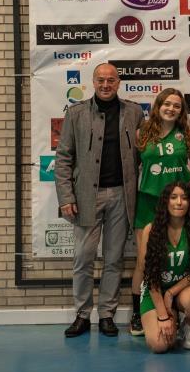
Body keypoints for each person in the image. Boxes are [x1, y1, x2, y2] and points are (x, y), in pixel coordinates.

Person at [55, 63, 143, 337]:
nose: (106, 85)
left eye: (111, 80)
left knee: (114, 259)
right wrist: (66, 197)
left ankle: (107, 314)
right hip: (85, 197)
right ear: (92, 82)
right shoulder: (77, 113)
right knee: (83, 258)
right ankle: (82, 314)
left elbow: (144, 154)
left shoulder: (134, 112)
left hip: (121, 195)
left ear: (119, 83)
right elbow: (63, 158)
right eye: (101, 80)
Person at [130, 88, 190, 336]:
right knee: (144, 260)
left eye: (177, 106)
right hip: (148, 203)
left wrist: (181, 181)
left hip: (176, 206)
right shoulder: (142, 134)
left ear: (181, 111)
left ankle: (177, 307)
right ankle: (137, 312)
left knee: (179, 256)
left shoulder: (187, 135)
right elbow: (133, 169)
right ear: (158, 106)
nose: (171, 109)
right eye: (167, 104)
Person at [139, 182, 190, 353]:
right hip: (155, 290)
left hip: (185, 287)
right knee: (160, 346)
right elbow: (150, 275)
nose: (179, 202)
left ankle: (188, 327)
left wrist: (171, 292)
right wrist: (163, 316)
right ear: (165, 201)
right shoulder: (150, 230)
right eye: (173, 197)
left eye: (184, 198)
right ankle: (170, 320)